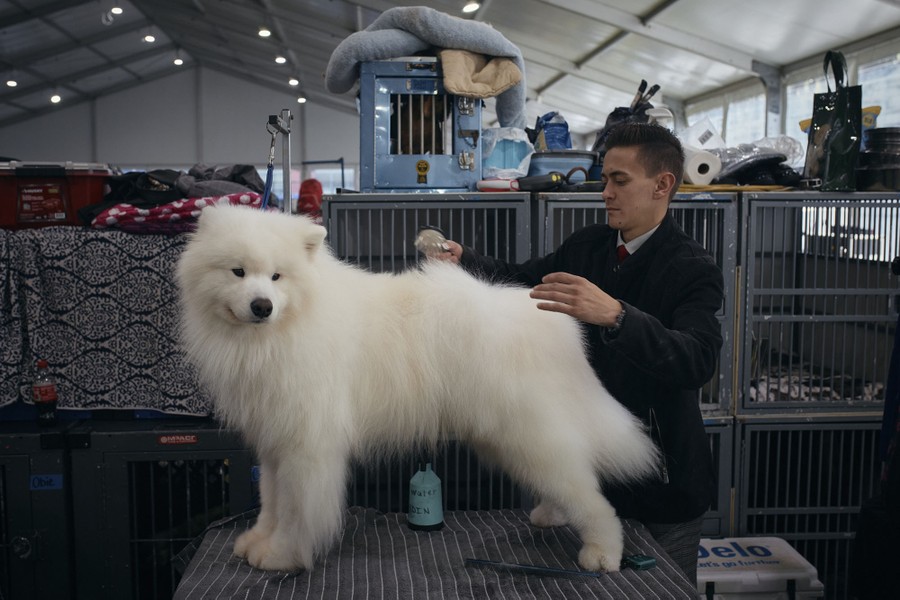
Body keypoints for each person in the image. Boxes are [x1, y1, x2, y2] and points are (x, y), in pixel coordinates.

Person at [438, 122, 724, 584]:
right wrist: (464, 260)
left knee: (657, 589)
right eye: (605, 179)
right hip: (587, 473)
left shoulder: (693, 268)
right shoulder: (588, 246)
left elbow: (697, 360)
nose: (606, 192)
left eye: (620, 180)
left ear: (663, 184)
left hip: (662, 487)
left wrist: (617, 316)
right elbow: (525, 280)